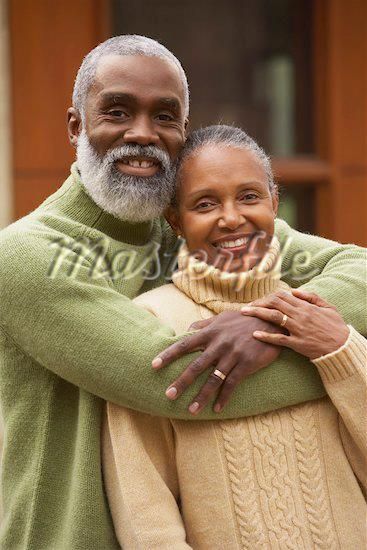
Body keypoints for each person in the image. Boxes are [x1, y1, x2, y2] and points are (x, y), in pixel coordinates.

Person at [0, 35, 365, 549]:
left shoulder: (198, 228)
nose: (143, 134)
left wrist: (267, 324)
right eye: (118, 112)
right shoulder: (30, 256)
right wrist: (332, 352)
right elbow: (178, 381)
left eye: (165, 117)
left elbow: (360, 269)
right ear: (76, 125)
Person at [104, 125, 367, 549]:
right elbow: (144, 512)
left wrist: (341, 351)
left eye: (249, 196)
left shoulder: (316, 315)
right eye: (205, 204)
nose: (231, 218)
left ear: (274, 202)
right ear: (175, 220)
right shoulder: (153, 321)